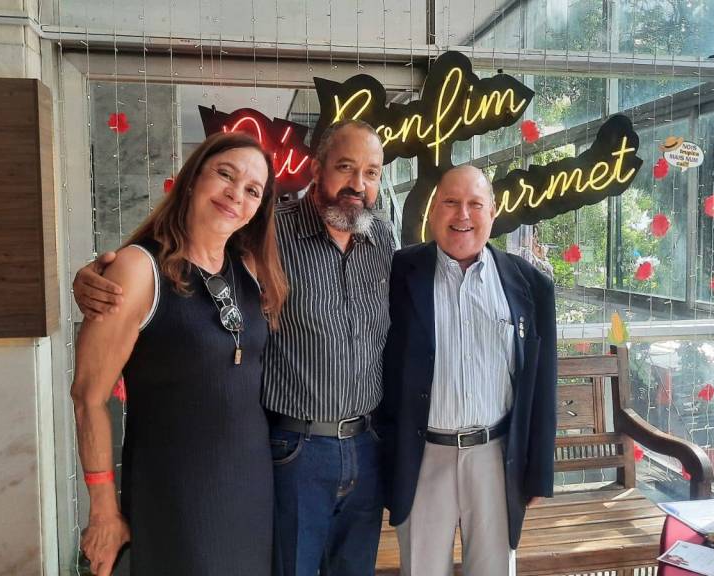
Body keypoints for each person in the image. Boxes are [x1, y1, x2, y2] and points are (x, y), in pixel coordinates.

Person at [73, 119, 394, 576]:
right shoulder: (268, 238)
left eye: (372, 172)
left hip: (326, 457)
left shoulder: (375, 241)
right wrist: (93, 279)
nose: (358, 184)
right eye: (345, 167)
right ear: (317, 169)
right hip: (272, 456)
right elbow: (90, 392)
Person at [70, 132, 287, 576]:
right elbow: (88, 398)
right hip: (175, 490)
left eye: (252, 190)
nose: (236, 194)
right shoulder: (138, 269)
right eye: (225, 175)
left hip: (250, 485)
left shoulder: (249, 268)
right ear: (192, 180)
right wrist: (104, 511)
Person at [377, 165, 557, 576]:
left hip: (497, 458)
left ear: (492, 212)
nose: (463, 215)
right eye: (451, 202)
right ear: (433, 211)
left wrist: (539, 472)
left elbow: (543, 385)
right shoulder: (397, 273)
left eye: (475, 204)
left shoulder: (530, 285)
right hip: (422, 457)